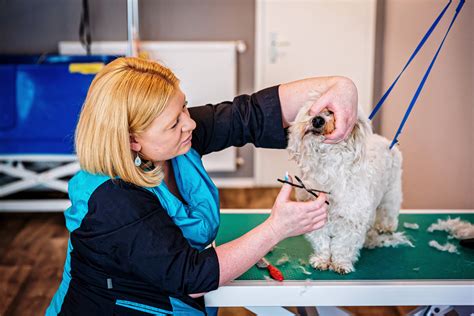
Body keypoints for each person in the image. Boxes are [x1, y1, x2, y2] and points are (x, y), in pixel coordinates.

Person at [46, 57, 357, 315]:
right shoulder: (111, 201)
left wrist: (338, 87)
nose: (190, 122)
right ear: (132, 140)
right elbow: (192, 276)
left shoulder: (171, 141)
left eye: (184, 107)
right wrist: (276, 228)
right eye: (173, 122)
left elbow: (248, 115)